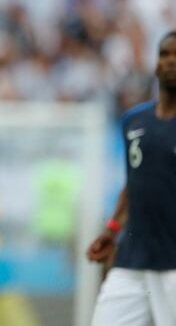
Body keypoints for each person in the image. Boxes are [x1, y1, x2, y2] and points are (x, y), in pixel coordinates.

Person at [87, 31, 176, 326]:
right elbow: (134, 182)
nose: (171, 61)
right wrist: (112, 229)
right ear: (155, 64)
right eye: (165, 54)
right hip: (132, 260)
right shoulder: (134, 121)